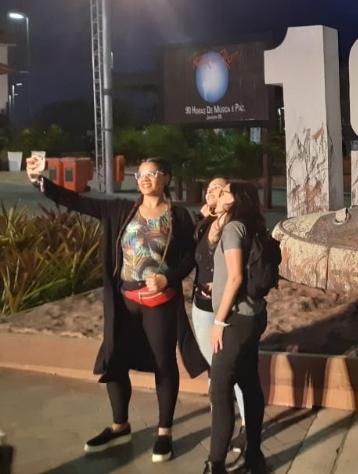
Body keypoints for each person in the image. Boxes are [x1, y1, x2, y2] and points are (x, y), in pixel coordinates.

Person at [25, 156, 208, 463]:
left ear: (166, 178)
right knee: (113, 358)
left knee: (164, 363)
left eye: (152, 174)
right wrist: (38, 180)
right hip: (125, 300)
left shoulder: (179, 215)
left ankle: (164, 432)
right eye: (140, 174)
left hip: (159, 302)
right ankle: (120, 425)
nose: (145, 179)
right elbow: (76, 201)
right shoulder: (122, 209)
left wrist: (168, 278)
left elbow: (190, 256)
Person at [203, 181, 268, 474]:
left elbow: (235, 279)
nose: (220, 194)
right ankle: (254, 456)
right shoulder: (251, 225)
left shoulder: (233, 229)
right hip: (253, 315)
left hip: (235, 320)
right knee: (248, 383)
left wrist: (218, 321)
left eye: (226, 191)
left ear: (238, 198)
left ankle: (215, 464)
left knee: (220, 389)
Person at [191, 177, 249, 454]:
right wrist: (199, 217)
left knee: (230, 368)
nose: (214, 191)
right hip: (201, 305)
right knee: (214, 368)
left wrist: (220, 318)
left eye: (221, 188)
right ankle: (222, 420)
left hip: (225, 309)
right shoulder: (204, 225)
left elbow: (236, 273)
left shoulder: (236, 227)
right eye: (210, 189)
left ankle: (246, 426)